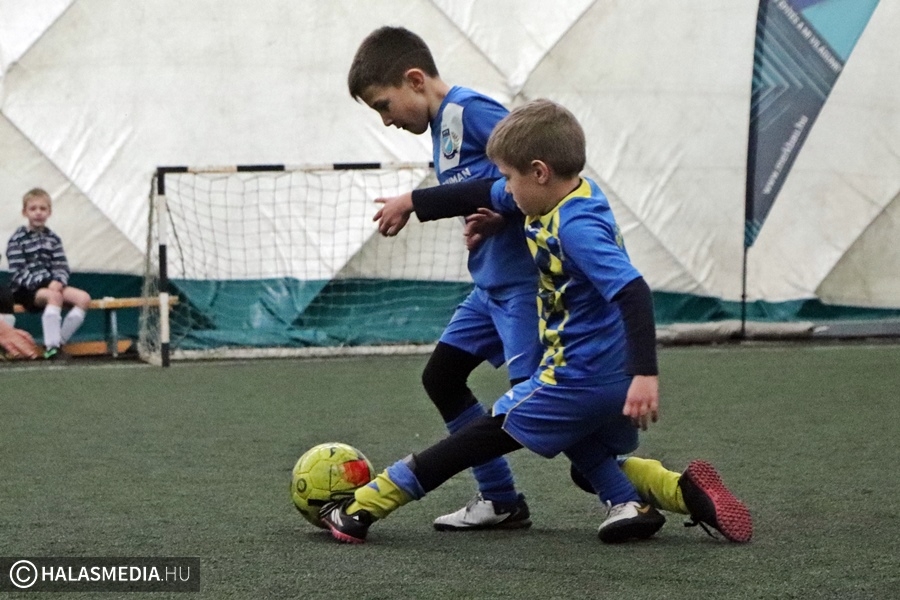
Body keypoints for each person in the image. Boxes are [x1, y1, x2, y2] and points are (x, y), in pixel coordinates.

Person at [348, 27, 752, 542]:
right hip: (490, 288)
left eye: (384, 105)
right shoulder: (443, 129)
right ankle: (510, 498)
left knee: (537, 405)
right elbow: (504, 187)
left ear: (414, 79)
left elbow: (533, 174)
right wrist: (493, 212)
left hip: (526, 292)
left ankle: (626, 497)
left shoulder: (478, 115)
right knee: (445, 378)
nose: (385, 119)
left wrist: (416, 201)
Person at [6, 188, 91, 360]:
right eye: (33, 209)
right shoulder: (17, 239)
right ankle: (52, 348)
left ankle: (57, 343)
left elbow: (61, 265)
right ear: (25, 212)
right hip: (25, 288)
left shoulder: (53, 239)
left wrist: (59, 280)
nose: (38, 213)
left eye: (42, 209)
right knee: (54, 297)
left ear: (49, 212)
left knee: (83, 298)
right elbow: (17, 272)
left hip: (51, 285)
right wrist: (44, 283)